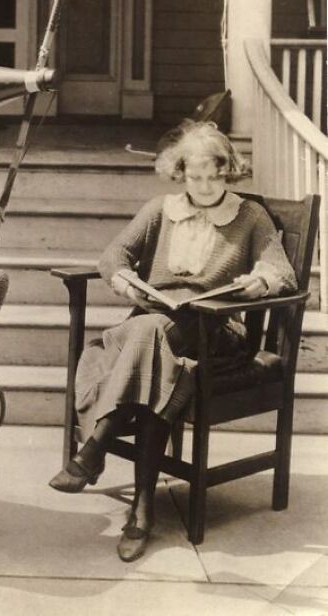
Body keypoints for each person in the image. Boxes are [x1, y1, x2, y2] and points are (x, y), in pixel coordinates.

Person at [48, 121, 297, 562]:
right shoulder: (161, 210)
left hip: (214, 331)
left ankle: (95, 448)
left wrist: (259, 282)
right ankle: (141, 512)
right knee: (157, 352)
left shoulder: (249, 216)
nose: (205, 186)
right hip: (157, 327)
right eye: (195, 177)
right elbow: (114, 256)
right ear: (180, 173)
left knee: (148, 335)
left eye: (214, 176)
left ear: (228, 171)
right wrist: (129, 285)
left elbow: (280, 271)